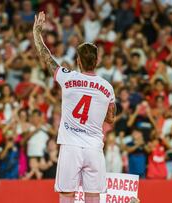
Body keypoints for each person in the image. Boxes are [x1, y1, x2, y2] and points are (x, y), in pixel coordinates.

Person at [33, 12, 116, 203]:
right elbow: (110, 118)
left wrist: (37, 33)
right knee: (93, 197)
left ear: (78, 60)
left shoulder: (67, 77)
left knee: (66, 194)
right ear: (97, 61)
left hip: (71, 146)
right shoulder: (107, 87)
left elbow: (46, 57)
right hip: (94, 147)